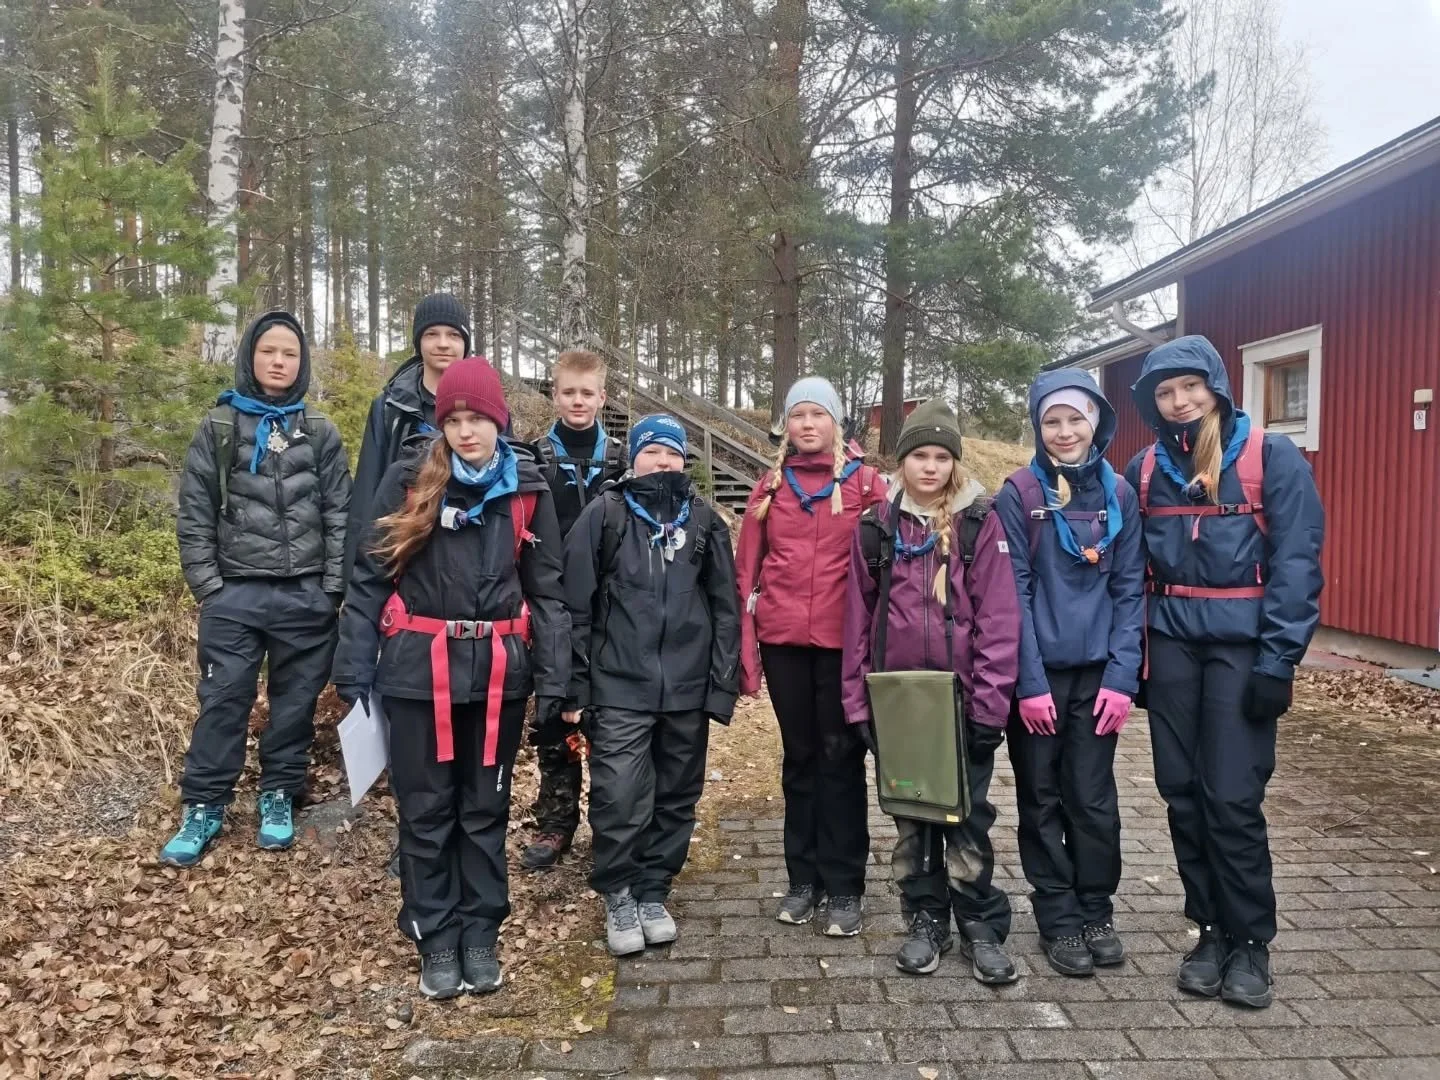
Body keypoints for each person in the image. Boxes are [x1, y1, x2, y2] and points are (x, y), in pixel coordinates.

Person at [331, 358, 569, 999]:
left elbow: (547, 594)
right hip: (416, 673)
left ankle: (479, 932)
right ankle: (435, 936)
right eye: (456, 420)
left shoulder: (527, 492)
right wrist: (353, 668)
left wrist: (557, 680)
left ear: (500, 421)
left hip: (498, 676)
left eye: (479, 420)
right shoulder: (411, 482)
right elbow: (370, 575)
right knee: (427, 809)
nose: (467, 432)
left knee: (484, 807)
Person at [1124, 335, 1324, 1010]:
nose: (1179, 401)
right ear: (1153, 402)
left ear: (1214, 386)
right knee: (1182, 792)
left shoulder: (1271, 457)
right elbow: (1124, 567)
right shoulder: (1145, 469)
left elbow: (1298, 560)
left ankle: (1252, 942)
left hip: (1243, 653)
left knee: (1231, 798)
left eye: (1189, 386)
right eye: (1164, 391)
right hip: (1173, 646)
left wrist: (1279, 659)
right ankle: (1209, 931)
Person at [842, 399, 1021, 982]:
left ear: (954, 462)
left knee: (966, 817)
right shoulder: (876, 527)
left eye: (941, 456)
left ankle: (978, 922)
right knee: (913, 817)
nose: (930, 467)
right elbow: (856, 622)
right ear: (902, 460)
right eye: (919, 454)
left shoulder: (978, 521)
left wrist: (992, 705)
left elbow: (998, 619)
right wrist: (858, 702)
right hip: (899, 705)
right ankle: (924, 917)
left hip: (963, 701)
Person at [164, 311, 351, 866]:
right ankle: (204, 804)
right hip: (235, 596)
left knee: (294, 705)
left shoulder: (318, 431)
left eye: (289, 353)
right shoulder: (220, 426)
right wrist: (208, 588)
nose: (278, 361)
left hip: (305, 597)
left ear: (302, 363)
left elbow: (340, 512)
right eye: (268, 351)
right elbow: (195, 512)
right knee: (223, 702)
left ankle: (278, 794)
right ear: (249, 356)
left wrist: (332, 589)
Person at [563, 414, 741, 956]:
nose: (663, 463)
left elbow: (725, 609)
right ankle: (618, 891)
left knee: (677, 795)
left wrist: (720, 686)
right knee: (620, 794)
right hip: (619, 684)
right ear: (633, 456)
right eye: (652, 452)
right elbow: (575, 605)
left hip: (686, 689)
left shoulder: (706, 523)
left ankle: (652, 890)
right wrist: (574, 687)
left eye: (673, 454)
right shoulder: (606, 514)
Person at [994, 371, 1143, 977]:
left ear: (1097, 422)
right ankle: (1056, 915)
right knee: (1042, 798)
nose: (1064, 432)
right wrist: (1027, 683)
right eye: (1051, 421)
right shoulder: (1020, 491)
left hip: (1099, 679)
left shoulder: (1121, 495)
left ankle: (1095, 907)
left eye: (1075, 419)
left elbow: (1132, 589)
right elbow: (1014, 596)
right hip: (1039, 682)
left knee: (1094, 799)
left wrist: (1122, 677)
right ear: (1038, 426)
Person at [735, 377, 885, 934]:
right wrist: (745, 650)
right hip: (784, 643)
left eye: (817, 415)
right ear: (786, 426)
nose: (806, 424)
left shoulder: (869, 486)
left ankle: (844, 885)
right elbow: (744, 572)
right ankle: (804, 880)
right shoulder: (770, 488)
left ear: (837, 424)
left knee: (841, 758)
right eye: (796, 414)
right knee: (799, 759)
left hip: (846, 645)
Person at [522, 348, 629, 872]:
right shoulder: (536, 455)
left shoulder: (622, 458)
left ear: (602, 398)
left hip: (609, 602)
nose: (578, 401)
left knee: (605, 709)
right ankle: (556, 820)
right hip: (552, 599)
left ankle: (612, 818)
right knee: (554, 707)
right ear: (555, 393)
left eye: (588, 393)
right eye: (569, 392)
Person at [344, 293, 471, 583]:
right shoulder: (390, 407)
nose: (443, 343)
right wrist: (355, 580)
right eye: (431, 334)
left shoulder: (488, 406)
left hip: (469, 552)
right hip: (402, 553)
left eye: (453, 334)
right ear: (418, 341)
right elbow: (368, 490)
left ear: (465, 343)